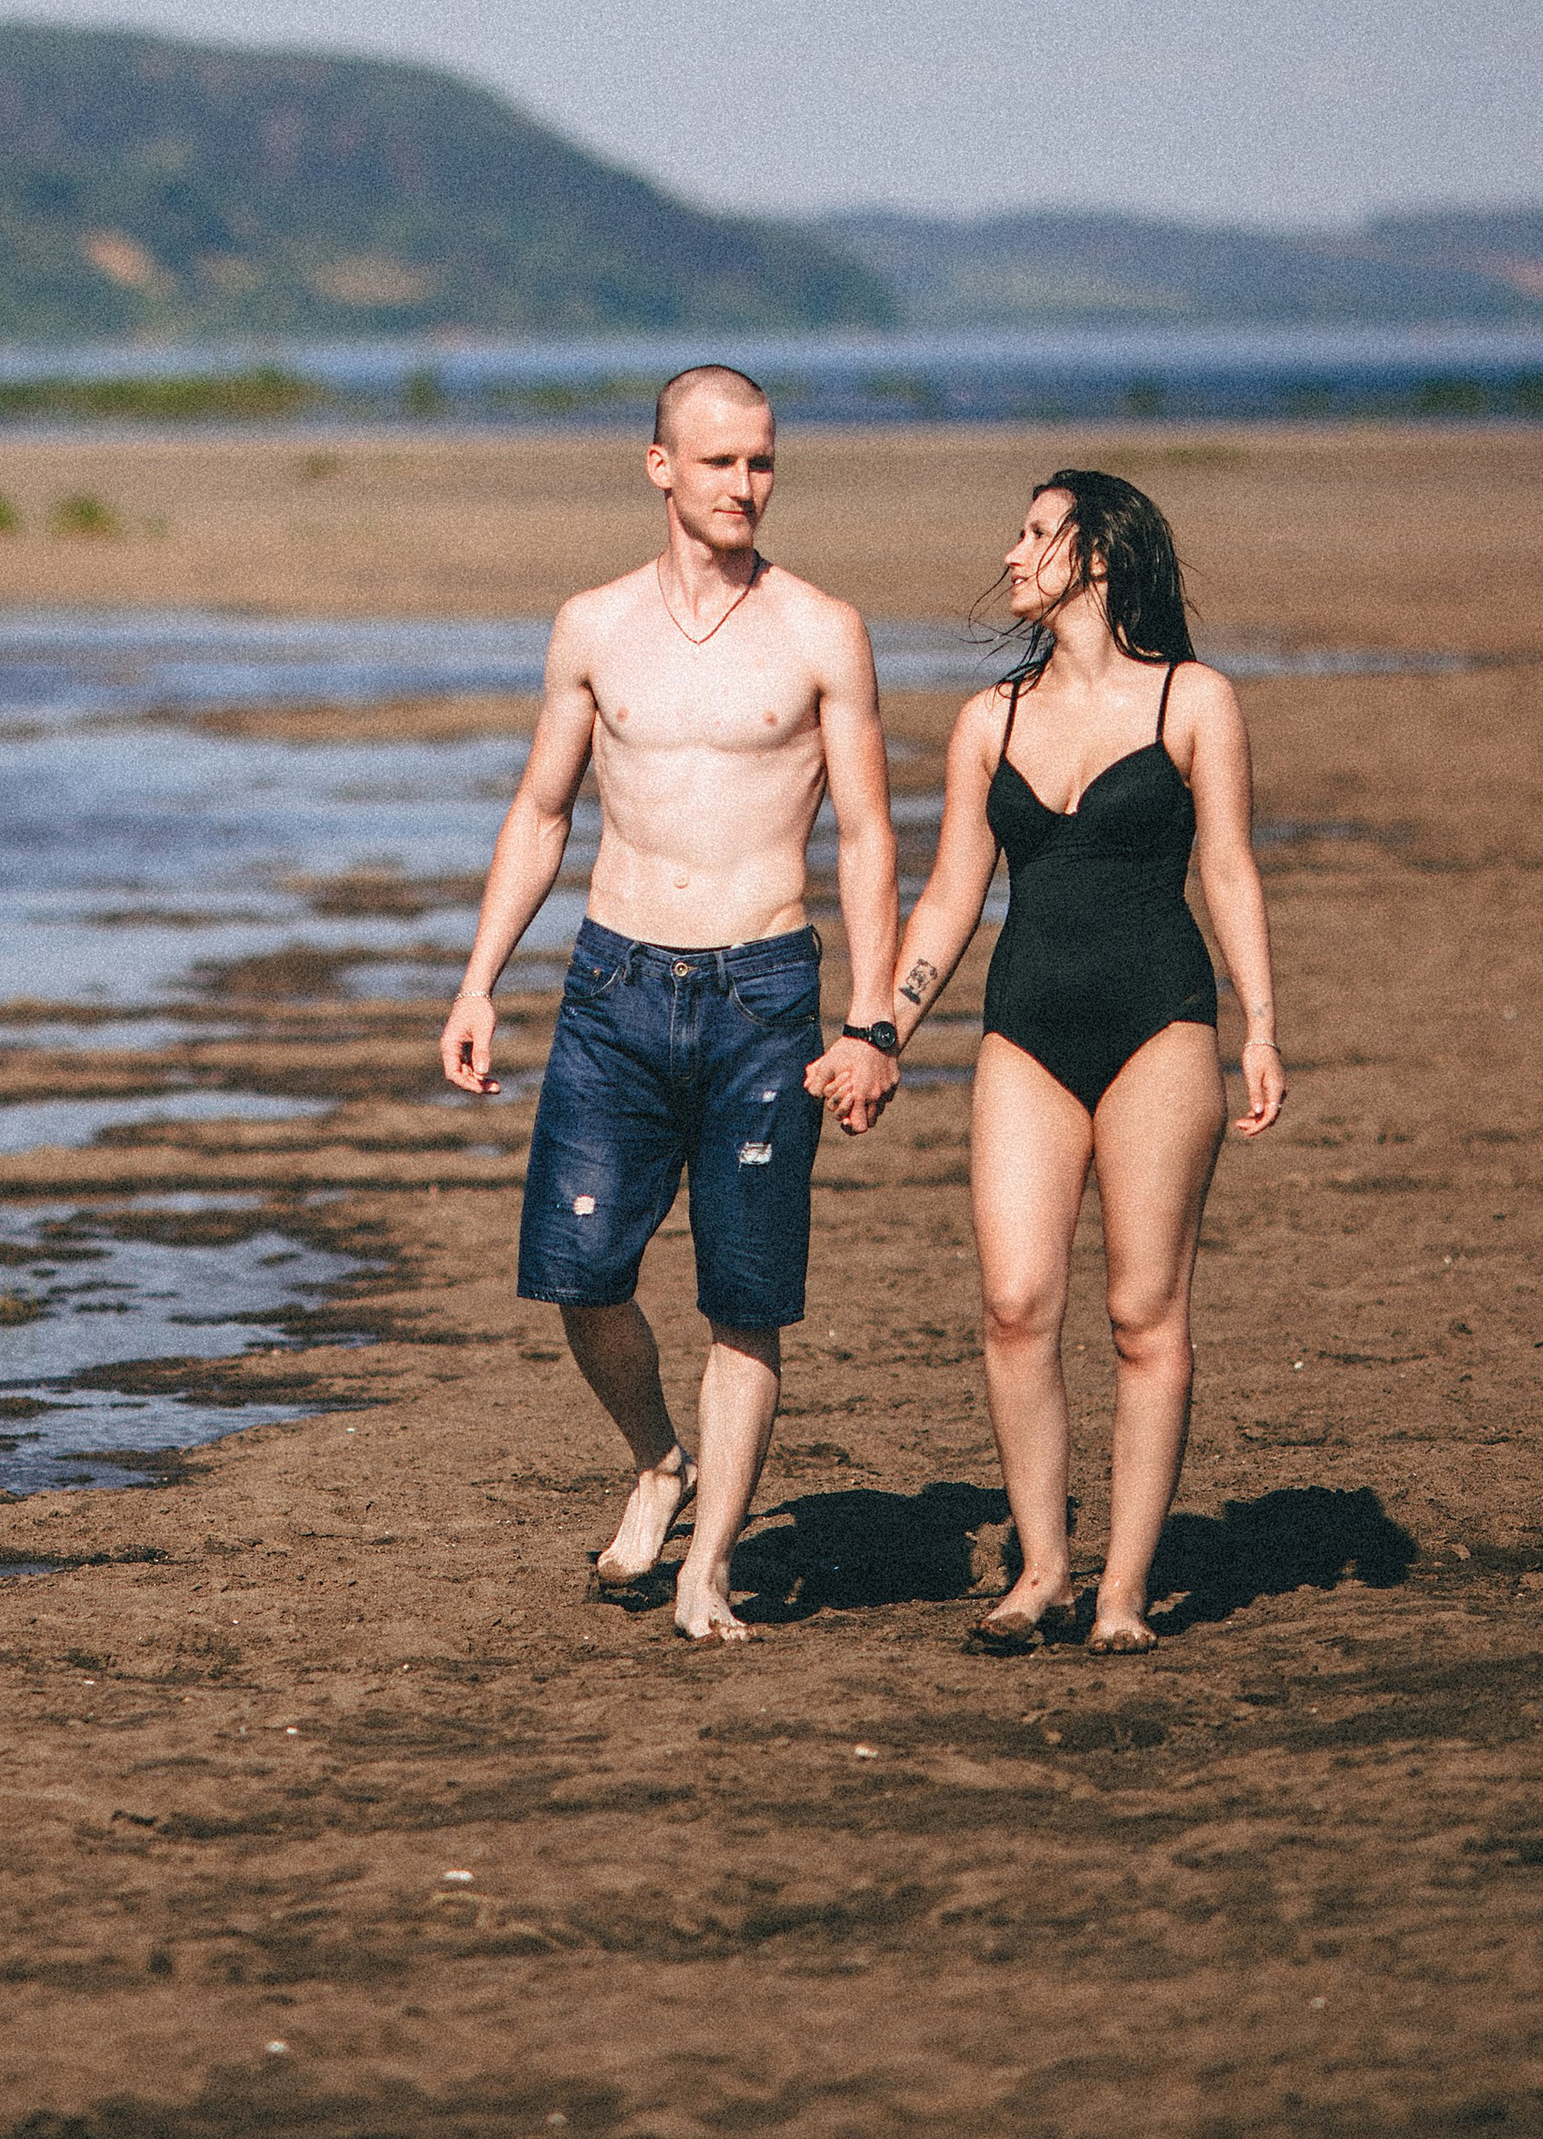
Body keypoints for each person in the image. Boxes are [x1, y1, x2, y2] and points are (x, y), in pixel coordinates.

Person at [440, 365, 901, 1645]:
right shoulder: (592, 625)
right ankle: (657, 1457)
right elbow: (541, 812)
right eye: (717, 462)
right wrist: (479, 981)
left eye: (760, 461)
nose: (744, 484)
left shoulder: (821, 628)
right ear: (659, 467)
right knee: (580, 1271)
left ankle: (707, 1565)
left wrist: (873, 1019)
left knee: (744, 1299)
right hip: (613, 984)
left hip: (762, 993)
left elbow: (866, 835)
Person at [867, 469, 1285, 1656]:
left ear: (1095, 557)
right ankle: (1042, 1567)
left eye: (1036, 533)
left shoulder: (1192, 701)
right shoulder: (986, 717)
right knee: (1013, 1305)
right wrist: (883, 1028)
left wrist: (1260, 1023)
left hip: (1160, 1018)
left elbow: (1231, 870)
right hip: (1024, 1028)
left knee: (1143, 1311)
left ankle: (1122, 1592)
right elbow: (950, 894)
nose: (1011, 554)